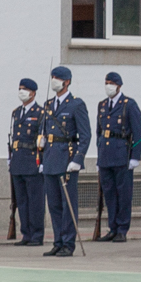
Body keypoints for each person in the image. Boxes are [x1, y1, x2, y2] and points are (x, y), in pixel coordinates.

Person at [39, 66, 90, 257]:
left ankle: (68, 243)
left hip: (67, 159)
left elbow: (85, 135)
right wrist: (42, 146)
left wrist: (78, 158)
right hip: (51, 159)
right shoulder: (48, 104)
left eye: (58, 78)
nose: (54, 81)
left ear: (67, 81)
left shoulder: (76, 104)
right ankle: (58, 241)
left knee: (68, 205)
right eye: (52, 77)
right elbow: (44, 130)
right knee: (54, 205)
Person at [93, 72, 141, 242]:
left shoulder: (128, 104)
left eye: (111, 83)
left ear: (119, 85)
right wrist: (99, 156)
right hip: (106, 157)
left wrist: (135, 157)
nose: (108, 86)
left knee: (123, 194)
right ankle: (112, 227)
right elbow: (99, 133)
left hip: (122, 155)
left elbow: (138, 133)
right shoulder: (102, 105)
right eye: (106, 82)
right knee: (109, 194)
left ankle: (122, 228)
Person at [8, 78, 47, 247]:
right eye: (19, 88)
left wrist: (42, 162)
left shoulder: (40, 113)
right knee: (22, 201)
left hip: (33, 161)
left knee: (35, 201)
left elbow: (43, 140)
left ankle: (37, 235)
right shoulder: (17, 113)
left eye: (24, 89)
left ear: (33, 93)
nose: (21, 91)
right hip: (18, 161)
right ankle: (26, 234)